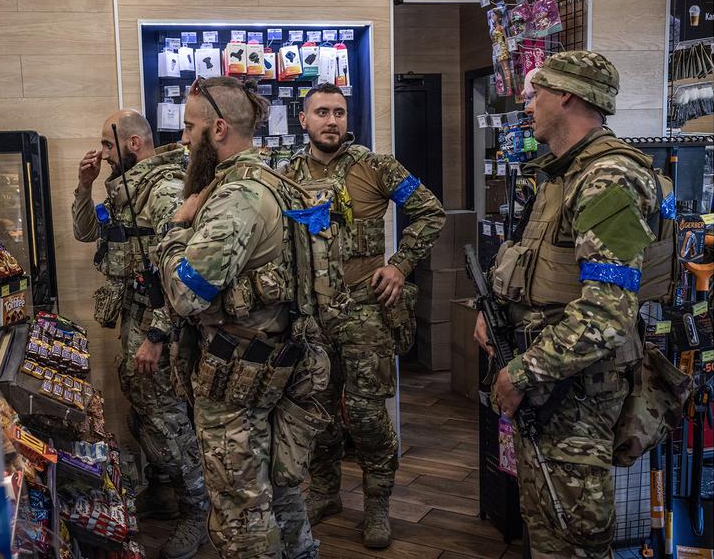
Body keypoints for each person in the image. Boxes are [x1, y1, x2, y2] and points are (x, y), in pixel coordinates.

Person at [473, 51, 671, 558]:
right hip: (550, 388)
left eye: (536, 92)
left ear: (567, 96)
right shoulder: (561, 175)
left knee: (576, 538)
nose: (527, 103)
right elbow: (537, 268)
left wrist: (521, 373)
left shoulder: (609, 179)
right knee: (546, 526)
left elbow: (606, 313)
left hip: (576, 394)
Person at [157, 76, 322, 559]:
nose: (184, 139)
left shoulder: (237, 197)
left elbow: (187, 294)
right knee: (282, 491)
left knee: (240, 508)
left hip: (239, 377)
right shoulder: (275, 180)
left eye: (190, 128)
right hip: (278, 362)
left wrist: (173, 230)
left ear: (219, 128)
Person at [285, 83, 447, 548]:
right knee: (315, 412)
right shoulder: (286, 174)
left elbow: (430, 213)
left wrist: (399, 265)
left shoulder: (378, 167)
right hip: (309, 315)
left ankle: (378, 503)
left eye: (338, 111)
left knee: (366, 414)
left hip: (365, 312)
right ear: (304, 120)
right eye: (321, 112)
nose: (331, 120)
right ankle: (325, 492)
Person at [72, 109, 209, 559]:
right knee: (144, 411)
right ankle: (166, 493)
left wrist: (157, 335)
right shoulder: (127, 187)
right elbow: (85, 231)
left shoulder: (164, 190)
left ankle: (197, 510)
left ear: (133, 144)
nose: (103, 153)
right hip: (133, 318)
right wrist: (84, 186)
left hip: (160, 326)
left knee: (169, 420)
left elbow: (182, 276)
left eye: (108, 146)